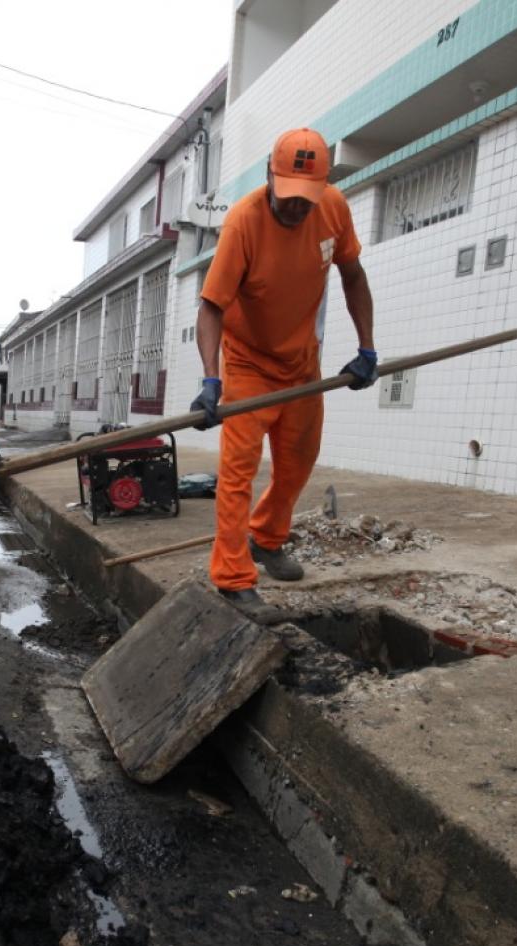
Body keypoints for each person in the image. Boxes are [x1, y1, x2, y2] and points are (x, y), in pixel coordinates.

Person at [192, 128, 377, 607]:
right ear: (269, 178)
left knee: (298, 461)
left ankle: (267, 538)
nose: (298, 207)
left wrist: (367, 348)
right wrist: (212, 380)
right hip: (249, 362)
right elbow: (211, 307)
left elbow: (353, 276)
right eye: (289, 195)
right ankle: (234, 577)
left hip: (301, 362)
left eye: (307, 197)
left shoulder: (333, 208)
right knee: (238, 473)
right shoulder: (243, 224)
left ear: (323, 186)